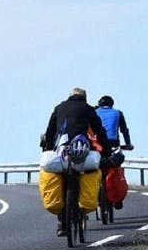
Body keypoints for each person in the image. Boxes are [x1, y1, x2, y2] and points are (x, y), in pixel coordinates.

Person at [42, 87, 111, 236]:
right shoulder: (88, 109)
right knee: (86, 172)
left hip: (61, 151)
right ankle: (81, 208)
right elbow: (99, 130)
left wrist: (47, 148)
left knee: (59, 177)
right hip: (81, 151)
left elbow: (50, 131)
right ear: (84, 98)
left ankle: (61, 221)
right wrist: (106, 150)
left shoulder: (59, 108)